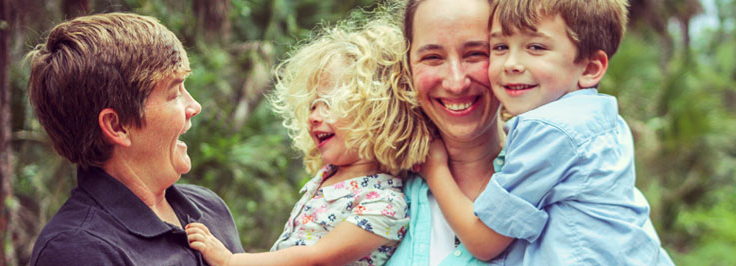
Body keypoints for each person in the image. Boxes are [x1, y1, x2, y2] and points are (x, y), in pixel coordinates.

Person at [420, 0, 675, 264]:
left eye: (535, 47)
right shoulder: (602, 118)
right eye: (500, 47)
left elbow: (484, 241)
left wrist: (435, 169)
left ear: (590, 68)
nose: (511, 64)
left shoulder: (548, 130)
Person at [184, 16, 432, 266]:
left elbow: (314, 258)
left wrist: (230, 260)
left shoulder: (383, 201)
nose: (314, 116)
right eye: (313, 105)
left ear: (379, 115)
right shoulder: (328, 179)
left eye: (331, 104)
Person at [26, 13, 243, 265]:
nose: (194, 106)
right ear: (117, 126)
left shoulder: (209, 207)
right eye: (174, 94)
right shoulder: (76, 249)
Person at [385, 0, 504, 265]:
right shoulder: (377, 188)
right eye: (432, 58)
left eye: (475, 53)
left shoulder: (549, 181)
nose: (455, 82)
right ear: (406, 66)